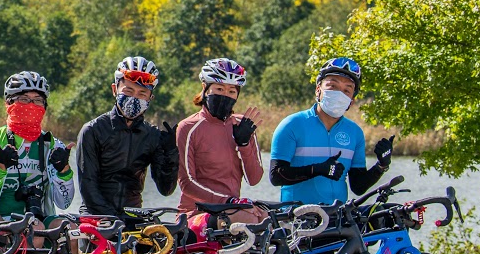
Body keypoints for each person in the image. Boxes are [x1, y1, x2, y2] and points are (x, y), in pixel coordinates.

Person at [269, 56, 394, 204]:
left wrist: (381, 165)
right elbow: (276, 176)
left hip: (338, 218)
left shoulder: (355, 133)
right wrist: (317, 170)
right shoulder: (292, 124)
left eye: (347, 90)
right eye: (332, 86)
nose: (339, 93)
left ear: (351, 102)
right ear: (318, 90)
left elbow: (358, 186)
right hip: (297, 217)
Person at [75, 56, 179, 218]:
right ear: (115, 90)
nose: (134, 98)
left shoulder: (152, 135)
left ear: (150, 98)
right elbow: (88, 186)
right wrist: (114, 220)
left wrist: (171, 155)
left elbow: (166, 189)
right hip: (95, 215)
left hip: (133, 215)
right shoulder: (92, 130)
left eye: (142, 93)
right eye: (128, 91)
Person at [177, 57, 264, 223]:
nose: (225, 95)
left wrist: (244, 144)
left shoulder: (243, 125)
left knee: (269, 218)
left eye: (231, 91)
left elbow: (254, 179)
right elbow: (186, 183)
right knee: (248, 219)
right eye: (219, 89)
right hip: (195, 214)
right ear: (205, 88)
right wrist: (227, 201)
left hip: (231, 208)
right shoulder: (188, 127)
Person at [0, 71, 74, 219]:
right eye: (24, 99)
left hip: (37, 222)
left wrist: (64, 172)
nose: (31, 105)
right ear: (8, 104)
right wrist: (0, 167)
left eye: (38, 100)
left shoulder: (53, 145)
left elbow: (64, 204)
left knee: (65, 226)